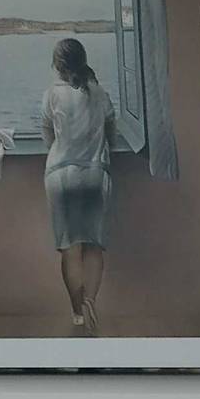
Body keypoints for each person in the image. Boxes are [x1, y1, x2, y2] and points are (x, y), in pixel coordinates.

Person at [41, 38, 116, 331]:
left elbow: (48, 138)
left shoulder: (51, 95)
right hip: (96, 175)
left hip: (61, 176)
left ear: (57, 65)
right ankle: (91, 302)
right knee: (94, 247)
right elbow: (111, 131)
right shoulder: (100, 93)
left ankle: (77, 314)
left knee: (70, 250)